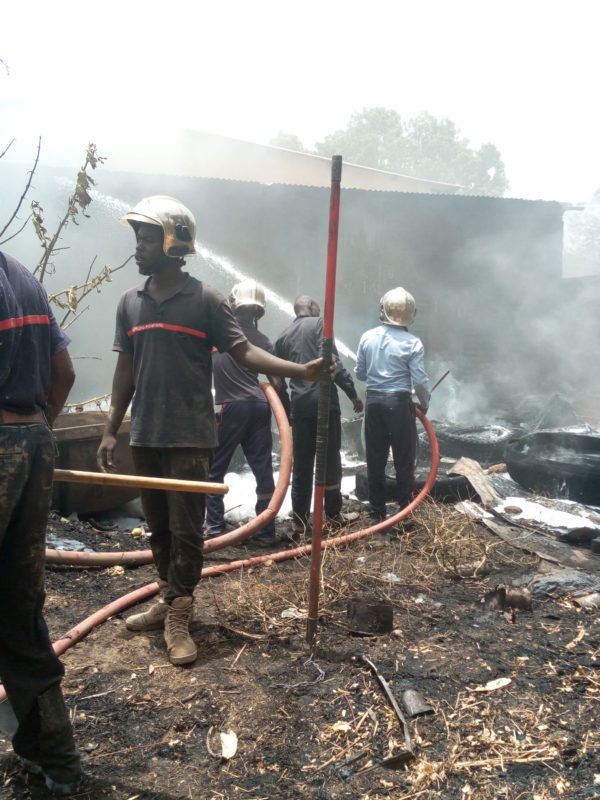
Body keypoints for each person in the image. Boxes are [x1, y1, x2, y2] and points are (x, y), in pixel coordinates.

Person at [96, 197, 324, 666]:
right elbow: (125, 371)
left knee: (187, 530)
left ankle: (181, 612)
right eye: (137, 237)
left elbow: (245, 354)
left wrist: (299, 372)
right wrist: (111, 429)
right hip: (146, 434)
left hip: (192, 435)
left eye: (147, 238)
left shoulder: (206, 301)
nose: (138, 247)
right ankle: (166, 595)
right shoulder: (129, 303)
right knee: (157, 525)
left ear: (174, 243)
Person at [0, 252, 80, 796]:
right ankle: (56, 759)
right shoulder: (24, 277)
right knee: (19, 610)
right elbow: (65, 372)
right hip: (33, 438)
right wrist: (34, 433)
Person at [205, 279, 286, 547]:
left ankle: (215, 528)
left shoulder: (217, 335)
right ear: (259, 311)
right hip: (261, 407)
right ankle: (265, 531)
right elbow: (277, 383)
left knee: (216, 469)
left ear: (232, 304)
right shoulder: (263, 340)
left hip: (232, 408)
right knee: (263, 470)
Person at [275, 295, 363, 537]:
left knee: (302, 464)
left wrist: (286, 410)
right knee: (330, 461)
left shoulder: (283, 336)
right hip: (325, 404)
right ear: (312, 308)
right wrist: (352, 393)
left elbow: (277, 377)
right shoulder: (320, 325)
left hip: (300, 407)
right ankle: (333, 515)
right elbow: (334, 362)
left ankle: (300, 521)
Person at [355, 287, 430, 523]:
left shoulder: (367, 337)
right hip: (399, 404)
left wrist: (378, 375)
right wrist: (424, 403)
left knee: (375, 457)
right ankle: (405, 509)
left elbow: (360, 373)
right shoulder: (413, 343)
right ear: (411, 314)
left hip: (374, 402)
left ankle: (377, 510)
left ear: (383, 310)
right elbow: (419, 380)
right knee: (403, 458)